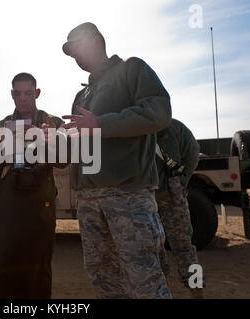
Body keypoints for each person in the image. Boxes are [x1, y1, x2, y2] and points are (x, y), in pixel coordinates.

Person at [60, 22, 172, 298]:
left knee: (143, 279)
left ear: (96, 40)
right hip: (88, 198)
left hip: (127, 195)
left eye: (76, 47)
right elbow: (82, 143)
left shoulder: (131, 70)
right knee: (103, 278)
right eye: (70, 52)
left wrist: (100, 123)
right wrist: (60, 137)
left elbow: (158, 113)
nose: (74, 56)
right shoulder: (82, 94)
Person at [0, 72, 66, 298]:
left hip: (41, 201)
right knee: (3, 262)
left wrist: (48, 138)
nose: (23, 98)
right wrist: (3, 146)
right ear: (12, 95)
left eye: (28, 93)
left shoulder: (52, 122)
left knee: (38, 264)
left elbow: (63, 160)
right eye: (18, 93)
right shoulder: (2, 125)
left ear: (36, 93)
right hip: (8, 201)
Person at [155, 118, 203, 298]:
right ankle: (197, 291)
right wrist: (182, 179)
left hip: (145, 196)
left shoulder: (136, 124)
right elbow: (193, 152)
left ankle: (162, 290)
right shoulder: (176, 126)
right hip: (172, 192)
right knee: (185, 248)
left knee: (154, 248)